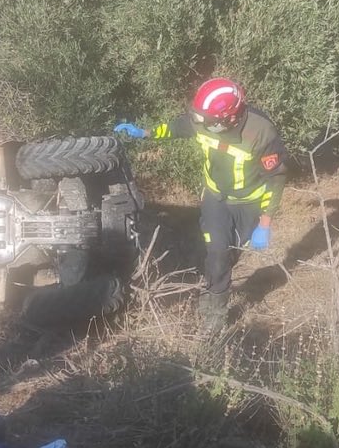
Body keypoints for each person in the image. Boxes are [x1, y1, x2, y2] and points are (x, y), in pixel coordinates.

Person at [116, 76, 287, 331]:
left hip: (248, 204)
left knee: (230, 253)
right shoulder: (204, 122)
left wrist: (265, 221)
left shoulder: (261, 133)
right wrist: (145, 132)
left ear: (230, 117)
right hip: (216, 199)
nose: (201, 124)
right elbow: (177, 127)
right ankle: (213, 317)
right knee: (218, 251)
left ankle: (214, 282)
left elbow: (276, 179)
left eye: (207, 120)